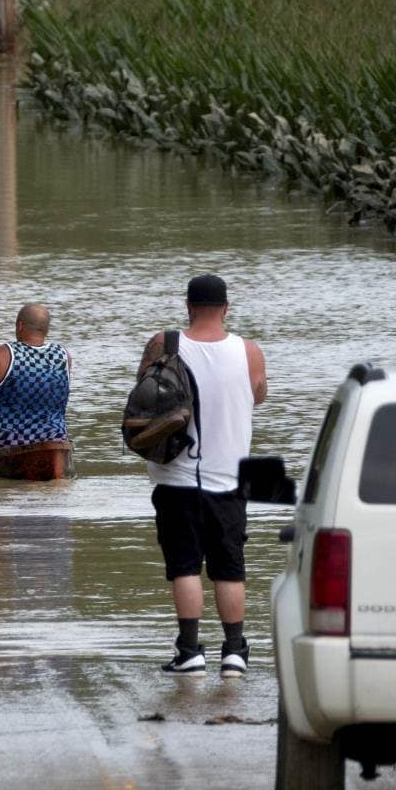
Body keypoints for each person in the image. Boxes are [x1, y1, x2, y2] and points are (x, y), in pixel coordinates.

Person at [139, 274, 267, 679]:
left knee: (185, 567)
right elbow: (259, 395)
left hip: (176, 477)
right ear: (226, 308)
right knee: (230, 569)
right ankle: (234, 653)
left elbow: (142, 398)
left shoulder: (165, 344)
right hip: (229, 480)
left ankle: (191, 651)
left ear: (188, 306)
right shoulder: (249, 351)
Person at [0, 303, 70, 450]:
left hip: (5, 442)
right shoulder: (64, 356)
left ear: (20, 325)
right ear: (47, 329)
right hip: (55, 439)